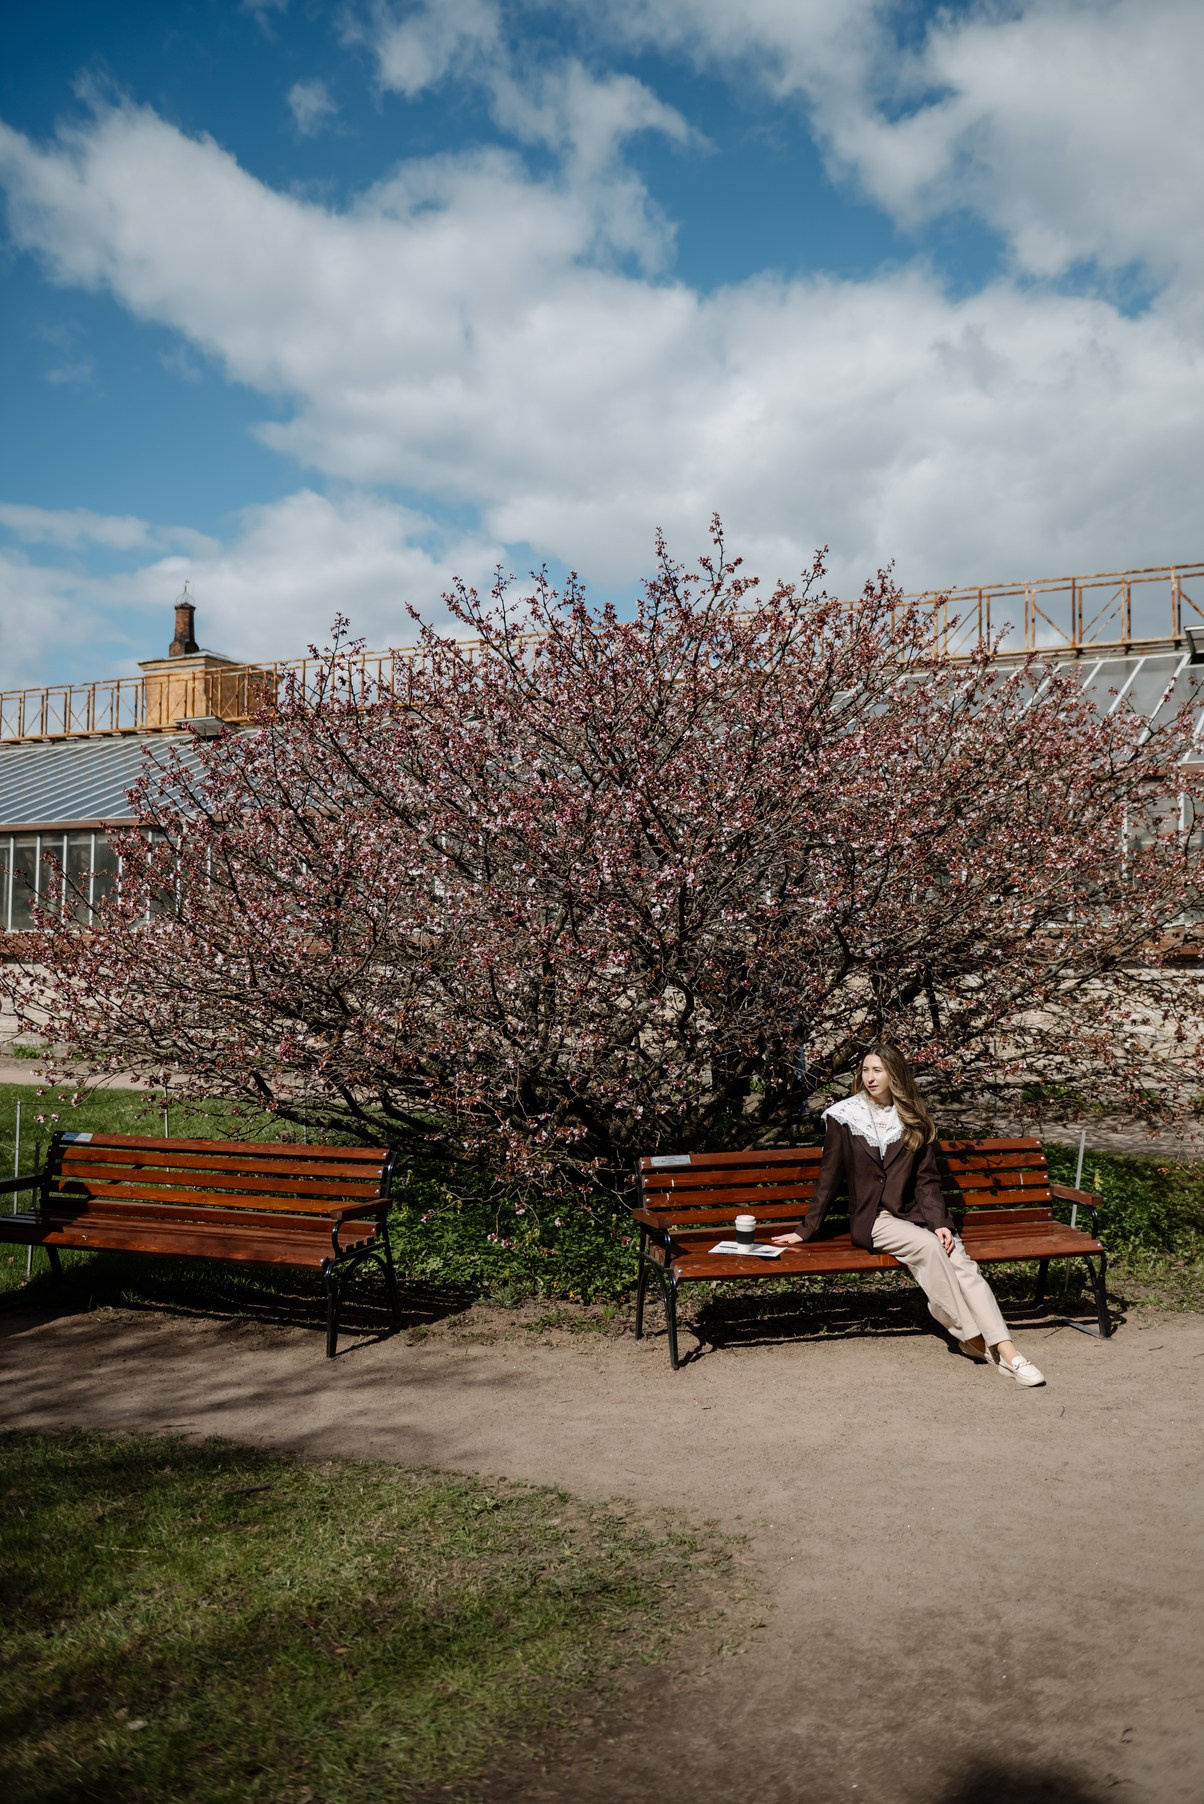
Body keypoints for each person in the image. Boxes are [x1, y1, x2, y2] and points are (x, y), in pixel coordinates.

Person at [771, 1044, 1045, 1386]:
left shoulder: (914, 1116)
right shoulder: (844, 1117)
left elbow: (927, 1181)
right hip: (874, 1219)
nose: (869, 1078)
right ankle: (976, 1341)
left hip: (915, 1215)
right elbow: (829, 1178)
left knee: (960, 1262)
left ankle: (1010, 1353)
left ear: (894, 1075)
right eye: (866, 1070)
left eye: (878, 1071)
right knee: (929, 1249)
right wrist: (805, 1229)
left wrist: (941, 1224)